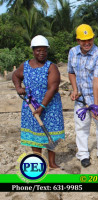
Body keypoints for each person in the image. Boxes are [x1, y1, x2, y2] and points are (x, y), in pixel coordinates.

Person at [12, 35, 65, 169]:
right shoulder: (25, 65)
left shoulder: (51, 67)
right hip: (31, 105)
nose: (42, 53)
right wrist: (18, 87)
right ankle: (38, 162)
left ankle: (52, 163)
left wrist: (42, 106)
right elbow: (15, 76)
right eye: (38, 50)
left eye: (44, 50)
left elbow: (53, 88)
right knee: (35, 134)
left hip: (50, 105)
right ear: (33, 51)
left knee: (51, 132)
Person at [68, 24, 98, 167]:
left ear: (93, 38)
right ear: (78, 40)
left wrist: (95, 105)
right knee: (81, 126)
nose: (87, 43)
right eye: (83, 40)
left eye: (89, 39)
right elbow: (71, 72)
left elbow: (97, 82)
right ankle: (83, 154)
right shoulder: (72, 52)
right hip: (81, 98)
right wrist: (75, 90)